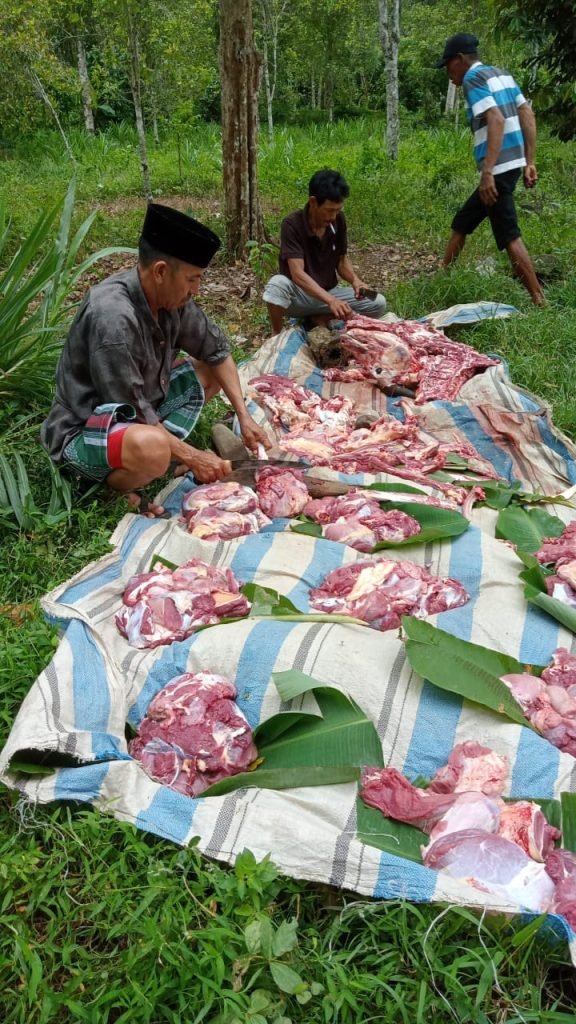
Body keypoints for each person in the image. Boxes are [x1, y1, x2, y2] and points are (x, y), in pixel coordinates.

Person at [41, 203, 270, 517]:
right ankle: (111, 487)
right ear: (161, 271)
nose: (196, 289)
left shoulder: (172, 300)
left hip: (142, 407)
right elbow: (129, 411)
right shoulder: (113, 317)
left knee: (212, 371)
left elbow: (216, 351)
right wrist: (192, 457)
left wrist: (243, 415)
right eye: (192, 279)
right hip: (86, 428)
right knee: (154, 448)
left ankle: (161, 456)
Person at [436, 33, 545, 307]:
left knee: (509, 233)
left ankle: (538, 298)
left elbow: (495, 119)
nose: (449, 75)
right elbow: (527, 114)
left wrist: (487, 173)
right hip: (511, 165)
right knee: (463, 221)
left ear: (460, 60)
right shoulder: (502, 75)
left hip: (497, 170)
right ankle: (440, 277)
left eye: (449, 66)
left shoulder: (473, 79)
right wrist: (529, 161)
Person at [263, 169, 387, 335]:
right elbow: (297, 274)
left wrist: (355, 280)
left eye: (337, 210)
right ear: (313, 202)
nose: (334, 216)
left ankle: (318, 319)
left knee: (378, 302)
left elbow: (342, 261)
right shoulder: (292, 224)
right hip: (301, 297)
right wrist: (331, 301)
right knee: (276, 285)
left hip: (330, 292)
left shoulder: (338, 221)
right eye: (329, 210)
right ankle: (276, 335)